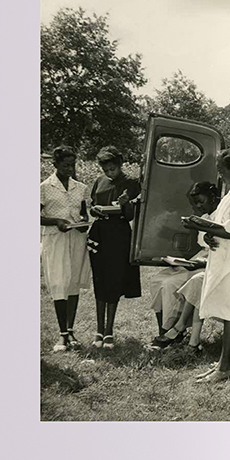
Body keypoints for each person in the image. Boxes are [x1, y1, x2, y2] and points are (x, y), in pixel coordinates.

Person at [191, 147, 230, 385]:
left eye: (221, 170)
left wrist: (203, 227)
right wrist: (206, 234)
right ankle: (223, 362)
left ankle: (226, 366)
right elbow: (217, 223)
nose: (219, 176)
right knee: (226, 308)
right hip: (222, 256)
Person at [85, 145, 141, 350]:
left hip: (118, 235)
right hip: (99, 233)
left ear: (120, 165)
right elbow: (92, 206)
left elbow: (129, 215)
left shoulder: (131, 183)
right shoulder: (99, 182)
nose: (109, 173)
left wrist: (126, 204)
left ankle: (109, 331)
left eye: (112, 169)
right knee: (100, 281)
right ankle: (99, 330)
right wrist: (95, 210)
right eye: (105, 169)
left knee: (115, 281)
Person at [150, 182, 219, 343]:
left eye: (202, 202)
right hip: (200, 258)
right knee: (158, 280)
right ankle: (164, 329)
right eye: (196, 203)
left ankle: (172, 332)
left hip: (212, 262)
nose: (199, 206)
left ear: (214, 198)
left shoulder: (221, 216)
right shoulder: (204, 217)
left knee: (170, 284)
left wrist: (199, 263)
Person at [40, 146, 90, 352]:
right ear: (55, 165)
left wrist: (84, 223)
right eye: (65, 165)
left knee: (72, 283)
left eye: (72, 165)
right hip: (55, 239)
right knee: (59, 281)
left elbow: (84, 213)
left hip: (76, 239)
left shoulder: (81, 188)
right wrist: (56, 221)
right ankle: (61, 335)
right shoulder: (44, 187)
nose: (70, 169)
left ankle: (70, 330)